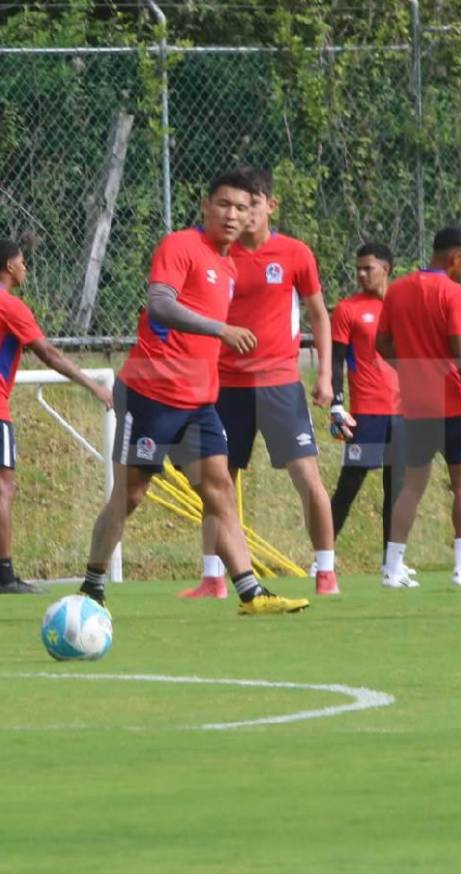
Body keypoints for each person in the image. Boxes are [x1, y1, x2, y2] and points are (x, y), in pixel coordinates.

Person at [77, 171, 309, 616]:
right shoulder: (180, 246)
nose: (232, 215)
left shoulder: (229, 264)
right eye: (224, 204)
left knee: (219, 488)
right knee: (130, 494)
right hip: (151, 393)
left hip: (199, 401)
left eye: (242, 208)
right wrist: (221, 329)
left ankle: (251, 594)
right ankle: (92, 585)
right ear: (206, 206)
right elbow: (161, 304)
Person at [179, 167, 339, 599]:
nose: (244, 214)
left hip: (279, 382)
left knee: (306, 475)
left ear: (270, 206)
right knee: (219, 481)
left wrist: (325, 374)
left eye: (252, 205)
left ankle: (326, 571)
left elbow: (320, 315)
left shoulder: (294, 254)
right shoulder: (217, 255)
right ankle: (214, 578)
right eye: (236, 206)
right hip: (225, 385)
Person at [0, 239, 113, 595]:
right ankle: (4, 575)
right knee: (3, 486)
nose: (25, 268)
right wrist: (93, 386)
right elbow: (48, 353)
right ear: (8, 266)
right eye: (22, 262)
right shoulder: (9, 306)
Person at [375, 226, 461, 589]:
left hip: (415, 405)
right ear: (455, 258)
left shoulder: (398, 290)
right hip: (453, 404)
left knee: (410, 488)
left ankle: (393, 568)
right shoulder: (454, 293)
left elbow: (382, 344)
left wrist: (411, 368)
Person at [326, 241, 409, 571]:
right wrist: (336, 403)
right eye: (358, 268)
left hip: (402, 412)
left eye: (368, 268)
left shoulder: (405, 307)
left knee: (397, 489)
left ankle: (393, 563)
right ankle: (322, 558)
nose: (361, 274)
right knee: (349, 485)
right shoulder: (347, 309)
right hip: (366, 411)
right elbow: (335, 362)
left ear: (385, 269)